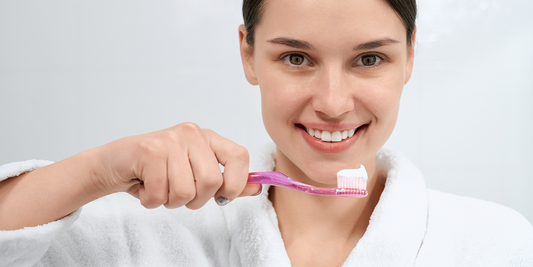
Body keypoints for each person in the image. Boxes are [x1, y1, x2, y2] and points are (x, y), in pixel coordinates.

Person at [0, 0, 532, 266]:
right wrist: (100, 170)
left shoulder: (498, 243)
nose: (331, 103)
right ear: (248, 54)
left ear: (410, 55)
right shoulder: (143, 235)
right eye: (296, 57)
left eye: (369, 58)